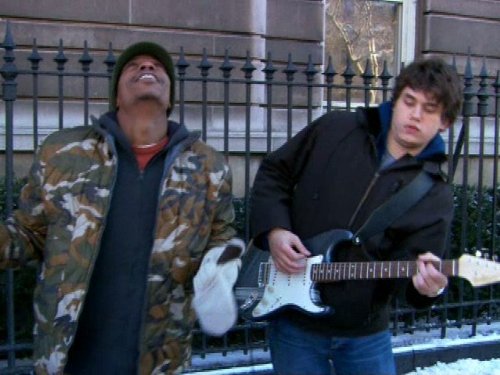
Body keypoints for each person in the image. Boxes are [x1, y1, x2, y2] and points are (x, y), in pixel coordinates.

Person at [0, 41, 244, 375]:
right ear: (116, 96)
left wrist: (220, 268)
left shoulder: (209, 166)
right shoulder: (62, 152)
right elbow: (28, 232)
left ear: (170, 98)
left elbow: (221, 235)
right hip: (69, 359)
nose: (146, 68)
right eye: (134, 66)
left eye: (156, 66)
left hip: (160, 360)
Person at [249, 58, 463, 375]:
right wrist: (275, 229)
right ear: (396, 99)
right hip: (294, 323)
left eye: (429, 108)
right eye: (409, 101)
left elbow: (413, 275)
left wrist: (427, 288)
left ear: (444, 121)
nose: (415, 115)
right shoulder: (335, 128)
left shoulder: (435, 195)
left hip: (365, 336)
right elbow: (274, 173)